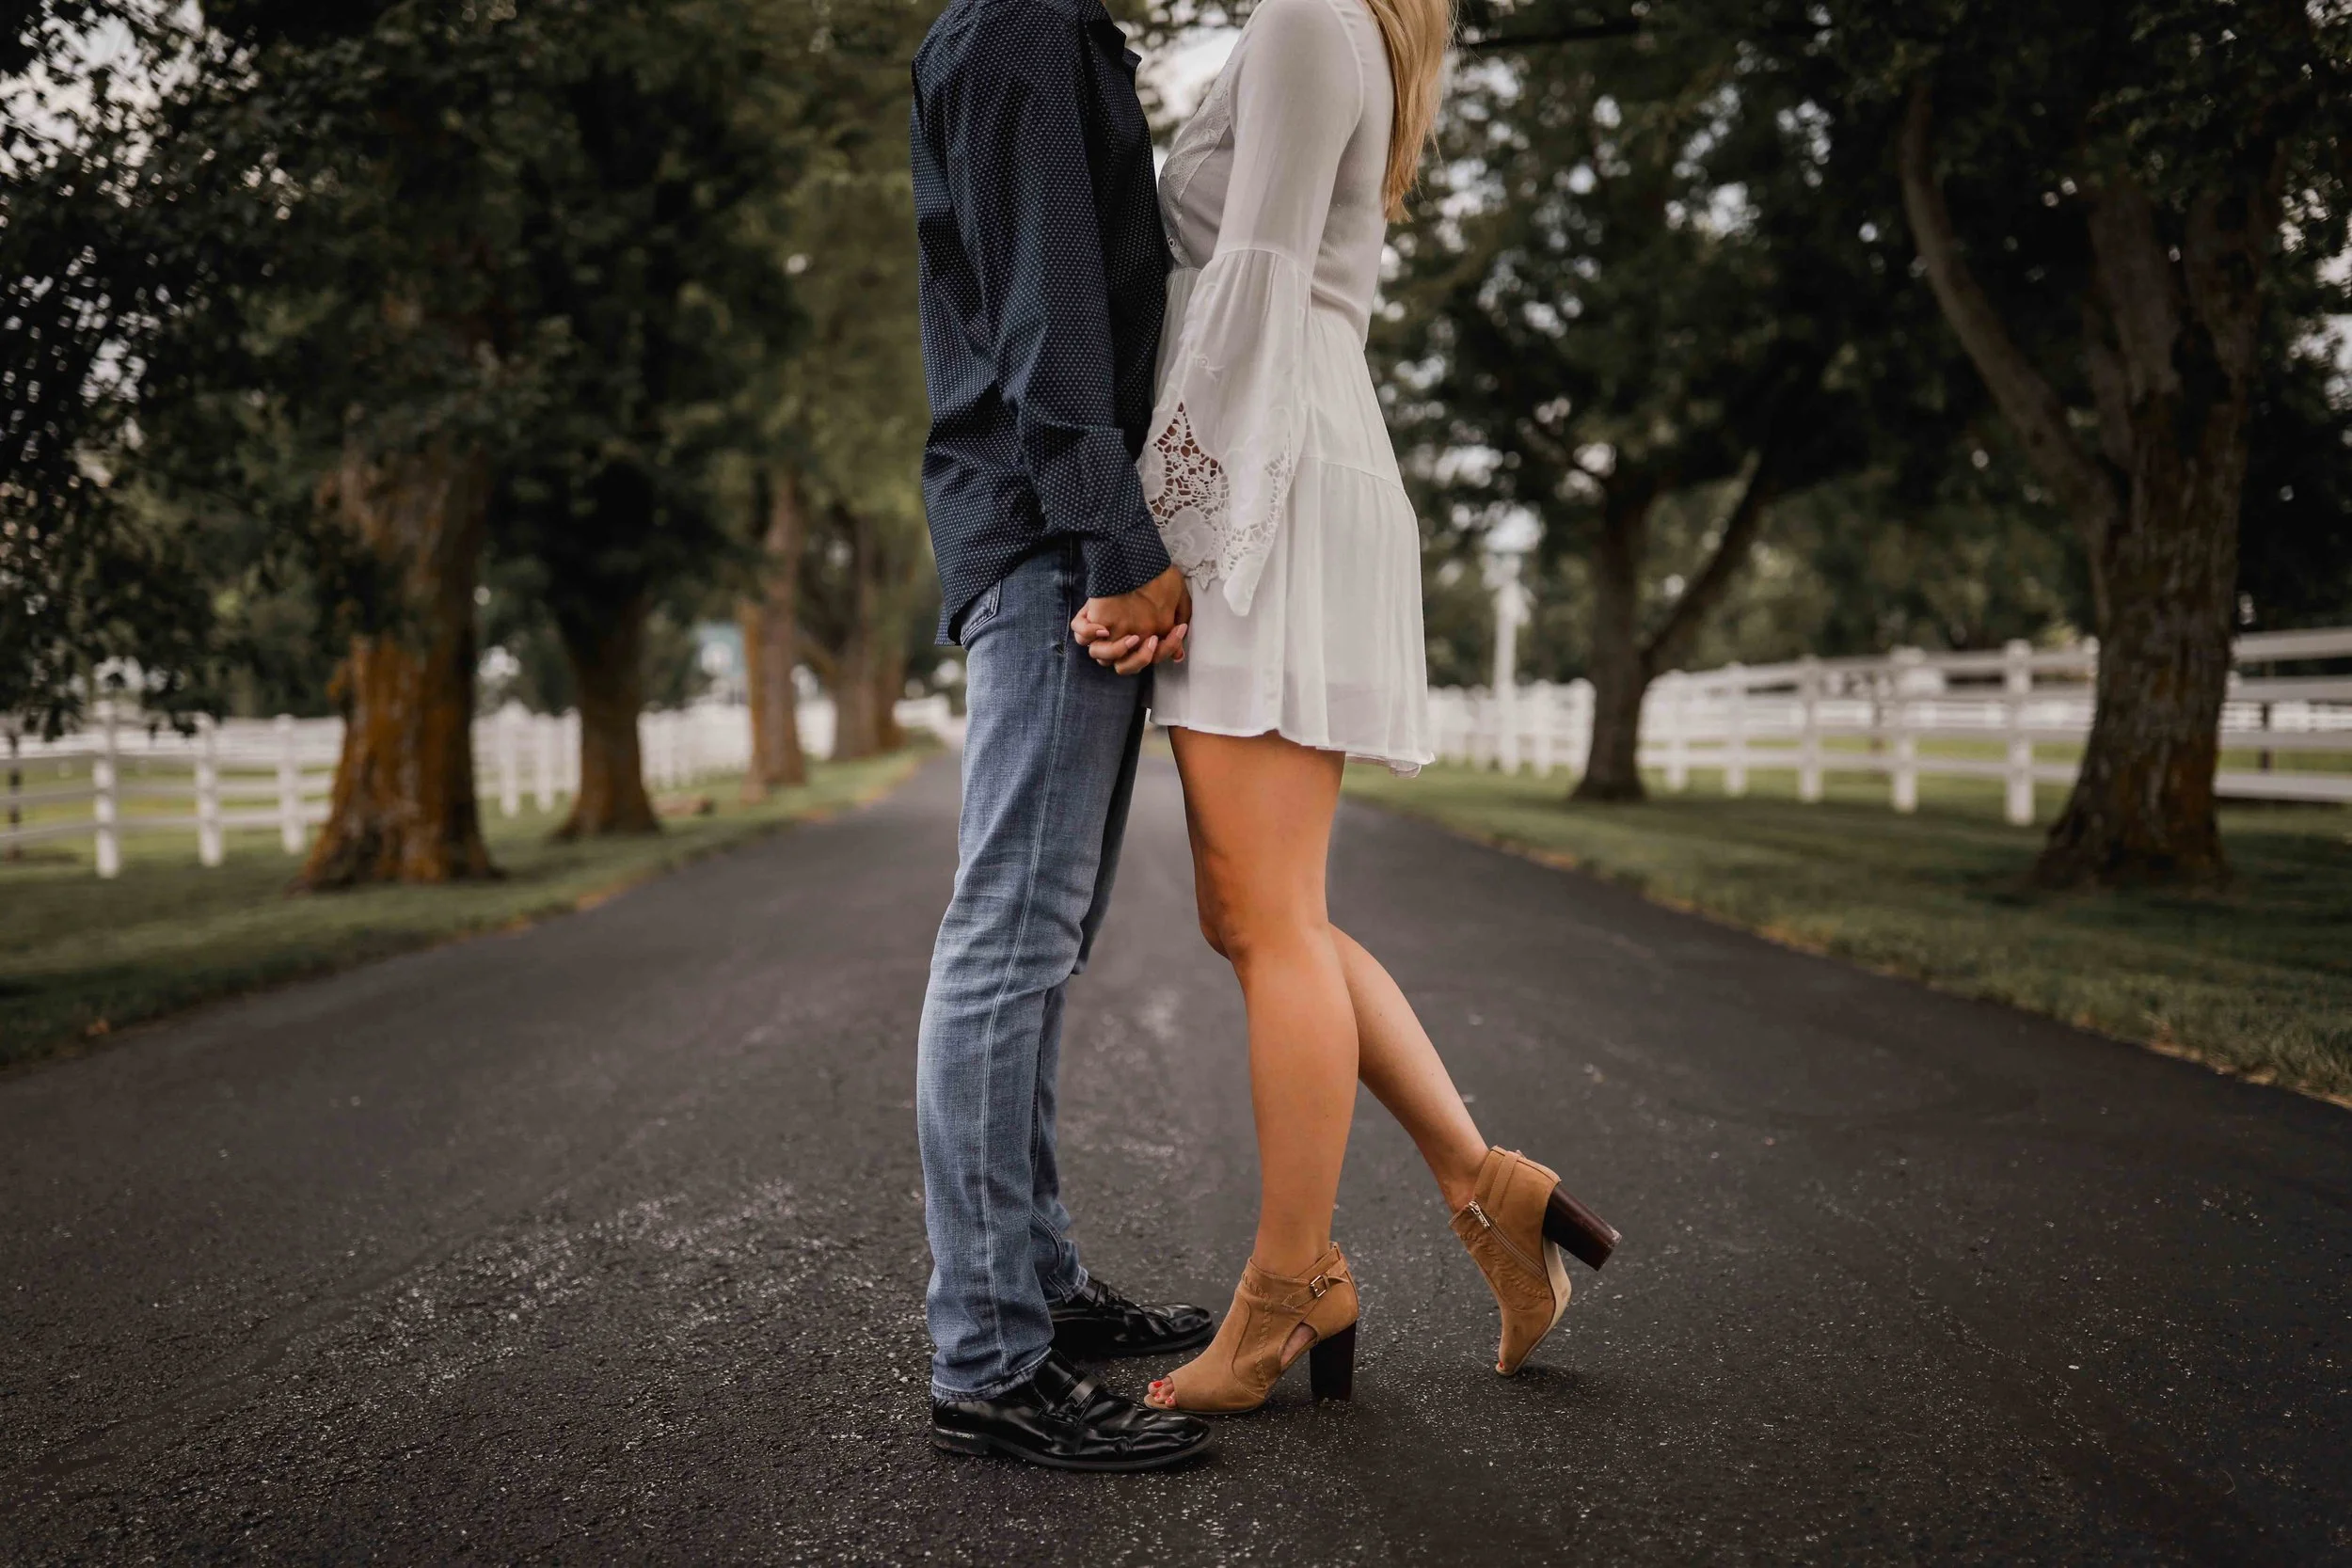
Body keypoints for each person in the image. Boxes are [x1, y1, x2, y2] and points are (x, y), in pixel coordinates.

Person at [1073, 0, 1623, 1415]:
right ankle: (1489, 1190)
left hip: (1270, 482)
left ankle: (1288, 1286)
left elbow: (1249, 290)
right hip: (1280, 464)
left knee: (1264, 918)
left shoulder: (1314, 15)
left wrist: (1165, 545)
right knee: (1263, 912)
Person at [907, 0, 1219, 1472]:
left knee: (1043, 938)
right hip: (1050, 542)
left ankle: (1033, 1286)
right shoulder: (1021, 28)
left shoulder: (1058, 31)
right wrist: (1116, 550)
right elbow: (1049, 322)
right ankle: (987, 1358)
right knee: (1008, 938)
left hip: (1055, 538)